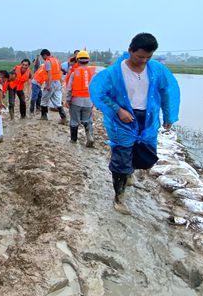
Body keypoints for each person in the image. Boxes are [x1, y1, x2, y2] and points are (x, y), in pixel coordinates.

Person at [89, 33, 180, 215]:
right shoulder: (114, 73)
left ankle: (129, 172)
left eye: (148, 57)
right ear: (130, 50)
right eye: (140, 56)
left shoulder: (156, 70)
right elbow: (99, 93)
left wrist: (169, 116)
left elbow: (167, 92)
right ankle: (119, 197)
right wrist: (118, 110)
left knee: (145, 155)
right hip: (122, 119)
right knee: (121, 157)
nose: (144, 61)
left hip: (147, 118)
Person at [64, 50, 96, 147]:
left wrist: (67, 100)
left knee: (74, 121)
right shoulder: (93, 73)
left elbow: (69, 88)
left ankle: (73, 140)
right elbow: (97, 88)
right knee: (87, 120)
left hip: (76, 101)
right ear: (88, 61)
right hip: (89, 101)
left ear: (78, 61)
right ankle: (89, 137)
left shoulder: (74, 73)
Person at [39, 49, 67, 124]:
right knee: (57, 101)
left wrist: (48, 85)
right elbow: (59, 72)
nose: (43, 58)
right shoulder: (56, 60)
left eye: (42, 57)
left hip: (51, 83)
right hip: (57, 82)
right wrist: (60, 82)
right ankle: (63, 117)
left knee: (44, 100)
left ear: (44, 55)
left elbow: (49, 74)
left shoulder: (48, 61)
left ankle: (44, 116)